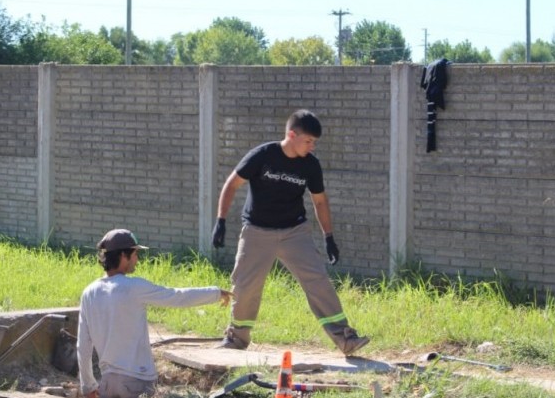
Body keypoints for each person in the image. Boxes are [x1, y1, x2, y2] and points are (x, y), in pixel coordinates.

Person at [210, 109, 369, 356]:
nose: (312, 146)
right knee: (245, 286)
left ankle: (345, 338)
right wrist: (220, 220)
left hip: (294, 232)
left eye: (314, 142)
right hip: (257, 231)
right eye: (308, 141)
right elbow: (232, 183)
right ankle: (236, 339)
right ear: (291, 135)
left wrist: (329, 237)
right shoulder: (263, 155)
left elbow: (320, 202)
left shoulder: (311, 165)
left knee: (318, 280)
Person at [77, 228, 233, 398]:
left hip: (107, 383)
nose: (137, 259)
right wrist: (216, 293)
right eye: (135, 254)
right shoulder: (134, 287)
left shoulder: (88, 293)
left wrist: (88, 386)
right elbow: (177, 297)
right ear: (123, 256)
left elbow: (83, 346)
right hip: (136, 381)